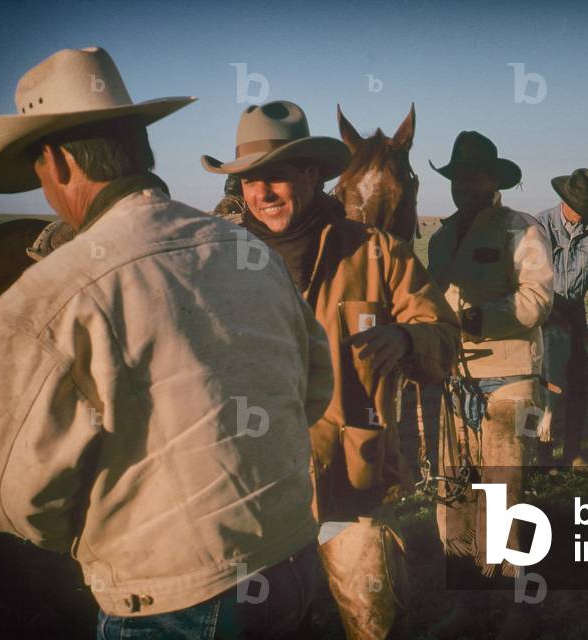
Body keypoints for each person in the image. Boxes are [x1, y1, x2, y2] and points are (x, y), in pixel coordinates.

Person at [0, 47, 333, 639]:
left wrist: (106, 529)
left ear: (54, 161)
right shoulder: (250, 253)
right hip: (293, 566)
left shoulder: (54, 293)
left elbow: (3, 489)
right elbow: (313, 391)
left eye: (38, 174)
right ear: (139, 144)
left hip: (176, 600)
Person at [203, 100, 460, 640]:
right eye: (249, 180)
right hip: (251, 492)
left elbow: (443, 335)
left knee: (374, 624)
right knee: (267, 628)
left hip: (351, 480)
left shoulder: (376, 252)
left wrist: (407, 338)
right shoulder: (214, 262)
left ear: (314, 175)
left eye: (277, 177)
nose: (262, 193)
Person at [426, 131, 553, 639]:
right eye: (457, 177)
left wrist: (481, 318)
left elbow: (538, 298)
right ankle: (468, 601)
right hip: (455, 381)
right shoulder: (437, 237)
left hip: (510, 380)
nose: (464, 185)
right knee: (453, 494)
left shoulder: (520, 230)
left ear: (493, 180)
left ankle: (513, 604)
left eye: (473, 175)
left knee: (502, 494)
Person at [536, 168, 588, 467]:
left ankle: (573, 452)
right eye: (578, 208)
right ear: (564, 202)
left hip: (575, 310)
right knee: (545, 383)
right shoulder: (541, 225)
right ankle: (541, 454)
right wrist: (550, 312)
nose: (582, 215)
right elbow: (532, 274)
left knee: (578, 381)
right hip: (544, 310)